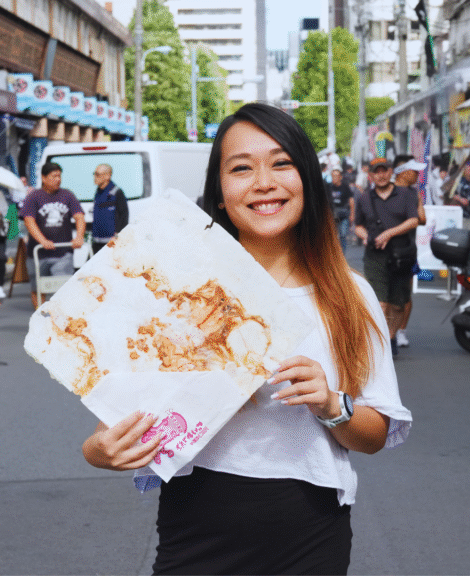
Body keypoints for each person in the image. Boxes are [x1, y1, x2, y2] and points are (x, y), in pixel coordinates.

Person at [81, 103, 411, 575]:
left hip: (312, 535)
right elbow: (104, 434)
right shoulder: (179, 292)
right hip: (195, 529)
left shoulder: (349, 294)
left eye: (281, 163)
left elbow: (375, 435)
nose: (263, 183)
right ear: (219, 193)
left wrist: (332, 405)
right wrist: (102, 453)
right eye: (241, 168)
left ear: (308, 180)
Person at [354, 157, 420, 357]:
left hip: (402, 254)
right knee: (380, 303)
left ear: (391, 172)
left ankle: (391, 336)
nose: (381, 175)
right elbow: (357, 226)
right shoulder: (364, 198)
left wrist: (388, 234)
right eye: (376, 172)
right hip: (376, 256)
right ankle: (380, 342)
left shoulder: (406, 193)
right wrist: (367, 237)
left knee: (398, 304)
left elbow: (414, 220)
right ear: (371, 175)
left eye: (384, 171)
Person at [22, 162, 85, 308]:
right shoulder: (34, 197)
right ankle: (41, 316)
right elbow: (29, 220)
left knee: (63, 289)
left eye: (59, 176)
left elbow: (79, 216)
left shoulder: (67, 195)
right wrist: (42, 240)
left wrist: (79, 236)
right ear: (44, 178)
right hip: (38, 253)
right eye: (54, 176)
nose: (58, 179)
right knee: (37, 288)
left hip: (62, 253)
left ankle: (61, 319)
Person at [391, 155, 427, 349]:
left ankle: (401, 331)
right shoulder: (387, 191)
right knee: (385, 295)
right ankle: (389, 332)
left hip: (407, 251)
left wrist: (418, 201)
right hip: (386, 251)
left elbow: (422, 219)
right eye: (414, 171)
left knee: (405, 294)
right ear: (403, 172)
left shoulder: (414, 194)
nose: (417, 174)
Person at [90, 163, 129, 254]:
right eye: (94, 174)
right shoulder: (98, 192)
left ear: (108, 176)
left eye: (98, 174)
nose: (95, 177)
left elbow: (124, 215)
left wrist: (117, 236)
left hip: (111, 242)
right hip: (97, 241)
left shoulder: (116, 192)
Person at [327, 168, 355, 251]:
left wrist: (352, 214)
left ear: (340, 177)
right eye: (332, 176)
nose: (334, 178)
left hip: (343, 214)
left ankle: (342, 255)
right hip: (332, 214)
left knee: (343, 235)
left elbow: (351, 200)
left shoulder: (345, 187)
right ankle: (333, 255)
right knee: (332, 236)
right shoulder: (329, 187)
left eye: (336, 176)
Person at [451, 160, 470, 233]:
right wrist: (460, 199)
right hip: (463, 214)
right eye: (469, 170)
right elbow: (451, 194)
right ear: (465, 170)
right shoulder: (458, 181)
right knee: (464, 234)